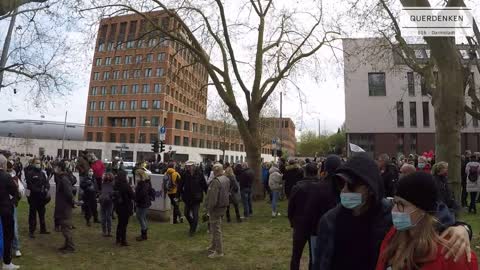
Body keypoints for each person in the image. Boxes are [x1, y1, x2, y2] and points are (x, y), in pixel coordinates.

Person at [314, 153, 473, 270]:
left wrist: (463, 228)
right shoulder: (329, 221)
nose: (344, 191)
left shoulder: (390, 214)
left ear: (369, 188)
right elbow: (320, 262)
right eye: (341, 185)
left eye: (351, 185)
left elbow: (431, 215)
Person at [376, 172, 478, 270]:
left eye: (402, 205)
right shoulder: (394, 235)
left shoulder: (452, 253)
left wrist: (464, 228)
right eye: (395, 202)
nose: (394, 210)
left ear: (423, 210)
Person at [288, 156, 341, 270]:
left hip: (302, 225)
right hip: (315, 226)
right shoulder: (323, 186)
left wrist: (293, 222)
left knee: (296, 255)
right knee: (314, 257)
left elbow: (291, 208)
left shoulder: (301, 187)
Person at [0, 155, 21, 269]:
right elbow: (15, 192)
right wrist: (12, 202)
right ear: (3, 164)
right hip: (5, 210)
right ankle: (6, 263)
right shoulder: (7, 176)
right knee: (7, 236)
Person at [205, 163, 230, 259]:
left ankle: (219, 251)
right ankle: (213, 246)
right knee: (215, 227)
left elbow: (213, 198)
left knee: (216, 229)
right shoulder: (226, 179)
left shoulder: (216, 181)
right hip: (223, 205)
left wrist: (209, 208)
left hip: (216, 207)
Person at [54, 160, 76, 253]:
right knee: (64, 226)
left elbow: (69, 194)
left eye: (56, 167)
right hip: (62, 206)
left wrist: (71, 203)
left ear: (60, 168)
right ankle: (66, 244)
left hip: (65, 207)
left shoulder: (64, 179)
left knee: (65, 227)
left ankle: (70, 246)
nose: (55, 169)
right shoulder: (61, 178)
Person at [180, 161, 208, 236]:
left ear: (194, 166)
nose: (188, 167)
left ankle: (192, 230)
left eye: (190, 166)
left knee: (195, 215)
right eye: (187, 166)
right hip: (187, 197)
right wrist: (179, 195)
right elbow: (180, 185)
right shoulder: (185, 174)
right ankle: (193, 224)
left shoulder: (199, 174)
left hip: (196, 198)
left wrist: (207, 193)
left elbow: (204, 185)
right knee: (186, 213)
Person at [25, 157, 50, 238]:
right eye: (36, 163)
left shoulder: (42, 173)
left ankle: (43, 229)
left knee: (42, 213)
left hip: (42, 198)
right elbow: (29, 185)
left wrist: (46, 189)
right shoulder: (30, 173)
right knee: (32, 215)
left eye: (39, 163)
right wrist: (38, 190)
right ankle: (31, 231)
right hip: (33, 198)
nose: (38, 164)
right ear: (33, 163)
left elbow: (47, 183)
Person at [7, 160, 23, 258]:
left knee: (14, 226)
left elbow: (21, 191)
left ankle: (16, 247)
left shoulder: (14, 178)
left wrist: (17, 192)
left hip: (11, 205)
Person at [113, 170, 134, 246]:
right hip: (125, 207)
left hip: (118, 206)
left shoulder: (116, 185)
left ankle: (118, 238)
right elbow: (132, 196)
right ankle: (123, 240)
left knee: (120, 223)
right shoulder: (126, 186)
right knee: (124, 224)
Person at [134, 169, 154, 241]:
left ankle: (144, 234)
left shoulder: (143, 183)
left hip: (143, 203)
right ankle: (144, 231)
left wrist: (136, 198)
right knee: (142, 217)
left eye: (137, 175)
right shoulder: (144, 182)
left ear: (140, 175)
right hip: (144, 202)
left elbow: (142, 194)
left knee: (140, 217)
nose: (136, 177)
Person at [99, 173, 115, 237]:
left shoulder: (104, 184)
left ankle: (107, 231)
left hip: (106, 202)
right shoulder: (106, 184)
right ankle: (106, 231)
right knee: (106, 218)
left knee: (106, 217)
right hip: (106, 202)